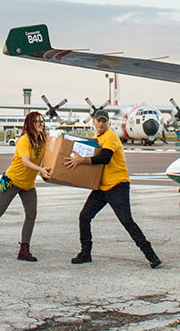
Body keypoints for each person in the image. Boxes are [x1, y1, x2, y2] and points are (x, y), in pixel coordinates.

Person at [64, 109, 161, 269]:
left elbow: (105, 158)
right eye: (99, 121)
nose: (101, 124)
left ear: (108, 123)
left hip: (117, 186)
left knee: (127, 221)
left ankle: (151, 255)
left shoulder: (110, 137)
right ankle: (85, 253)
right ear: (94, 122)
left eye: (104, 121)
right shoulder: (96, 139)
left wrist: (83, 160)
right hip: (102, 187)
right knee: (84, 216)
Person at [0, 111, 51, 262]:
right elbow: (25, 161)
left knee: (31, 215)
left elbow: (50, 155)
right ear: (30, 124)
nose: (41, 124)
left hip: (28, 184)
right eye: (38, 121)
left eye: (42, 121)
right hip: (11, 180)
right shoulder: (24, 140)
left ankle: (24, 250)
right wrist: (40, 170)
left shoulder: (43, 140)